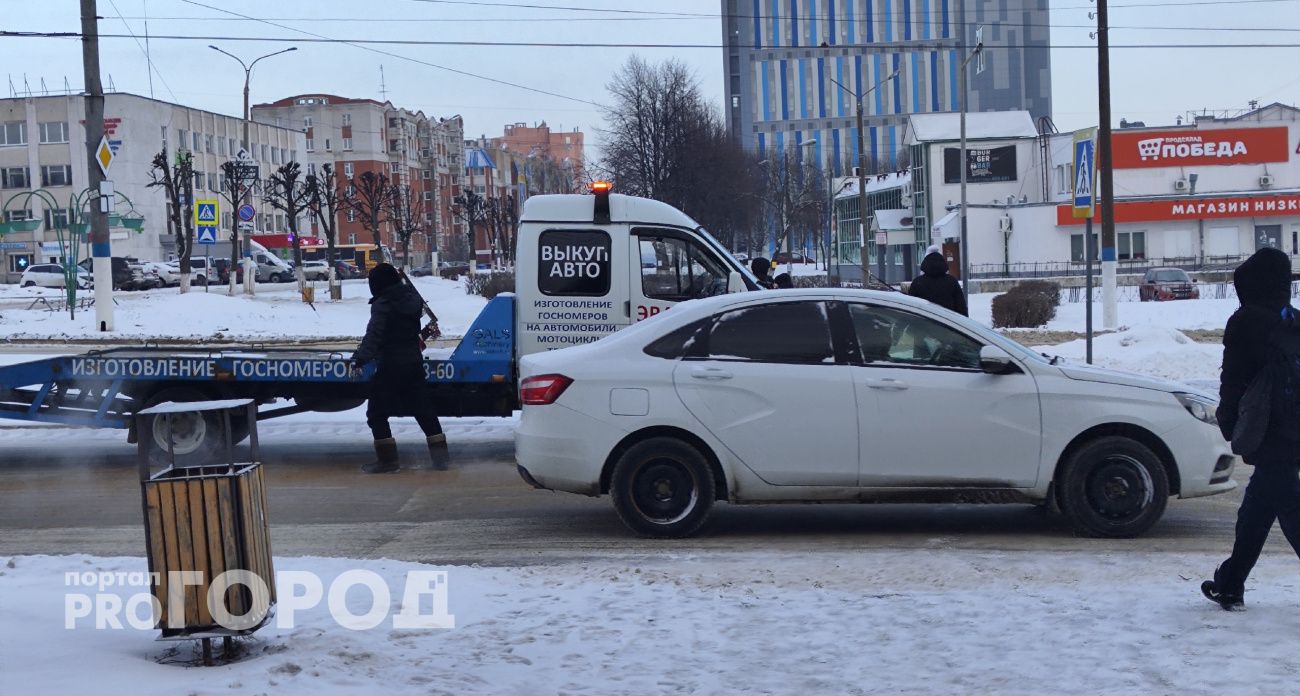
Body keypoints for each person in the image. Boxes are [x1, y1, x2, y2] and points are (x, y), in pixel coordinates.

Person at [1202, 247, 1300, 611]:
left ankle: (1231, 582)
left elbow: (1234, 378)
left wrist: (1227, 421)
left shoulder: (1245, 322)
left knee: (1291, 510)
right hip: (1293, 429)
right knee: (1257, 508)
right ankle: (1230, 584)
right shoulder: (1294, 319)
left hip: (1270, 431)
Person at [353, 263, 449, 473]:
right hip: (413, 363)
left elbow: (374, 336)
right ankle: (441, 459)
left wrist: (359, 359)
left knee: (376, 413)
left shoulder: (383, 304)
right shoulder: (412, 300)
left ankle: (388, 462)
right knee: (424, 411)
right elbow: (413, 333)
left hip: (391, 366)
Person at [907, 245, 967, 316]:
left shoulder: (917, 282)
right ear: (944, 264)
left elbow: (911, 306)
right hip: (949, 322)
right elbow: (961, 306)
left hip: (923, 322)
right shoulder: (951, 281)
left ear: (925, 264)